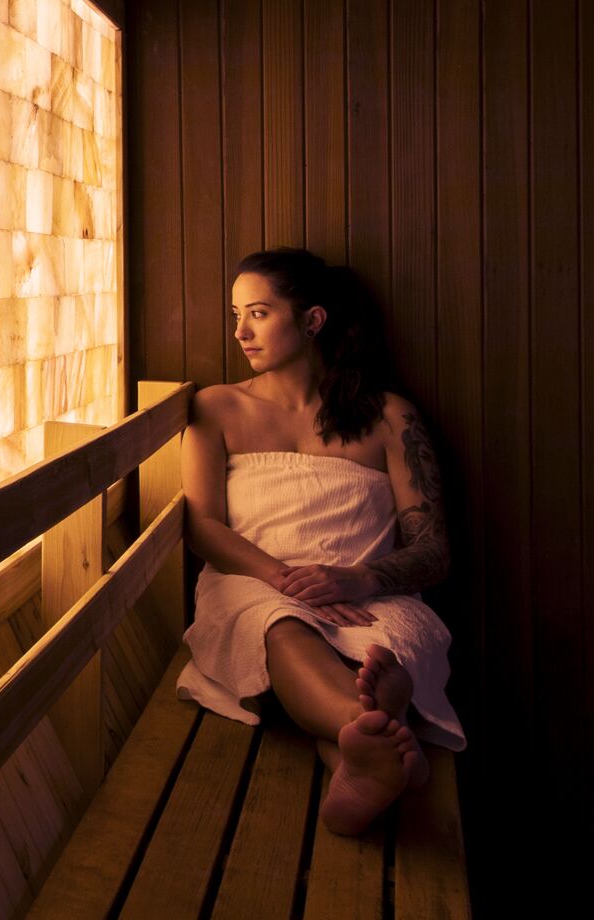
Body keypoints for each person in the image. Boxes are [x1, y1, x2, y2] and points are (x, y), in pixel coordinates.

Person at [175, 248, 467, 836]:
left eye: (258, 313)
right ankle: (371, 718)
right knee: (282, 627)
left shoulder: (389, 418)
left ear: (312, 320)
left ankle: (362, 751)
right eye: (236, 314)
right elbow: (203, 527)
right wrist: (291, 583)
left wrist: (358, 579)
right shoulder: (216, 408)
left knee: (389, 642)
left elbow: (433, 550)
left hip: (370, 596)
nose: (240, 332)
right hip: (254, 585)